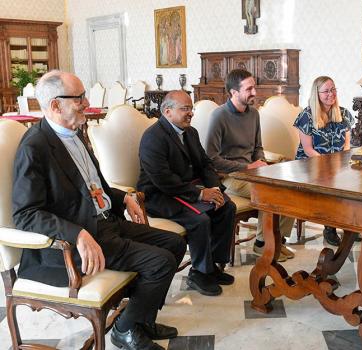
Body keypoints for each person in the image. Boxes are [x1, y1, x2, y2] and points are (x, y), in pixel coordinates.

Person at [12, 70, 186, 350]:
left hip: (105, 223)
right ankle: (126, 330)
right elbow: (25, 214)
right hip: (74, 242)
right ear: (56, 105)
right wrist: (77, 234)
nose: (87, 102)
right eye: (79, 97)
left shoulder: (75, 135)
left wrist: (123, 197)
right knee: (160, 261)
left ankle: (141, 319)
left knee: (175, 243)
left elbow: (91, 188)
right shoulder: (35, 147)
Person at [137, 90, 237, 297]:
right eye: (185, 109)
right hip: (159, 195)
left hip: (184, 189)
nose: (191, 113)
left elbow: (205, 164)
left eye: (191, 108)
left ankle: (213, 266)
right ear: (167, 111)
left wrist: (215, 189)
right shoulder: (153, 137)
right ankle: (199, 273)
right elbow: (162, 179)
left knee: (227, 207)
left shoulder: (190, 132)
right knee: (199, 220)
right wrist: (200, 195)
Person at [206, 69, 295, 262]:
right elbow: (211, 159)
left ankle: (278, 241)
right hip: (230, 177)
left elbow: (258, 147)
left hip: (253, 172)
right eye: (249, 88)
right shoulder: (219, 116)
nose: (254, 92)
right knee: (270, 192)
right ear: (233, 92)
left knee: (291, 188)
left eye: (254, 87)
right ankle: (262, 244)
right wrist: (247, 168)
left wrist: (260, 161)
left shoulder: (253, 114)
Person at [293, 76, 355, 246]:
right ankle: (330, 227)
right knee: (331, 182)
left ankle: (352, 227)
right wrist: (330, 166)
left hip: (339, 163)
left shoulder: (344, 114)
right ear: (316, 94)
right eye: (326, 91)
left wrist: (342, 165)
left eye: (333, 89)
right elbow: (308, 149)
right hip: (311, 164)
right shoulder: (306, 116)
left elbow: (347, 145)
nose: (331, 94)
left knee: (357, 182)